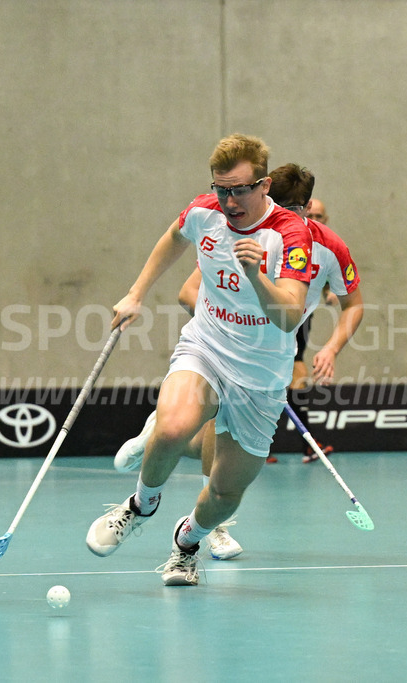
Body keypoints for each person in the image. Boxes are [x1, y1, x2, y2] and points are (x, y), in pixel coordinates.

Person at [86, 134, 313, 586]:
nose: (229, 200)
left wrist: (254, 274)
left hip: (261, 375)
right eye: (221, 189)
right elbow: (174, 236)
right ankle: (139, 506)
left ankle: (188, 541)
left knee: (225, 493)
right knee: (171, 427)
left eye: (240, 190)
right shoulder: (203, 211)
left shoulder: (290, 234)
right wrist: (136, 293)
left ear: (264, 185)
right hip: (206, 347)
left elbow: (289, 316)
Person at [113, 163, 364, 561]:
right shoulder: (239, 233)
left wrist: (331, 347)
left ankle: (157, 437)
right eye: (285, 206)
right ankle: (209, 528)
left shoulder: (327, 247)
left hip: (273, 353)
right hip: (221, 348)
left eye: (306, 210)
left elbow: (353, 304)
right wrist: (228, 320)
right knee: (204, 432)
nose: (296, 216)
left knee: (217, 455)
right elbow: (187, 293)